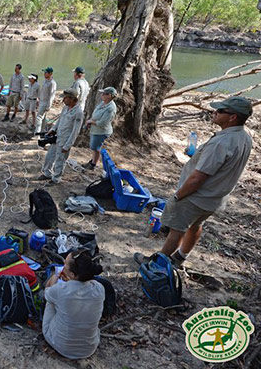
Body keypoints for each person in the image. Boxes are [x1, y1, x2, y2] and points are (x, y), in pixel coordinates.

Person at [134, 96, 253, 268]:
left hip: (196, 196)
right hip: (215, 198)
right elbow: (222, 165)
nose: (215, 112)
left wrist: (178, 195)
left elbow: (198, 178)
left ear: (232, 117)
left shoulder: (221, 142)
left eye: (220, 111)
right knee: (196, 225)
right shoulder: (244, 137)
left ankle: (156, 264)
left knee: (177, 229)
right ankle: (180, 257)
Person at [43, 249, 105, 360]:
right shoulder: (99, 288)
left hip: (61, 346)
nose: (63, 266)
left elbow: (47, 293)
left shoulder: (61, 290)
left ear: (72, 274)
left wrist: (53, 280)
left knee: (51, 300)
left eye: (65, 265)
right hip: (90, 348)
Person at [40, 89, 84, 184]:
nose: (63, 100)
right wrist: (53, 129)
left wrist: (68, 146)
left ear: (72, 99)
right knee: (49, 156)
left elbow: (75, 132)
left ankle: (56, 179)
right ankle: (47, 173)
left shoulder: (78, 113)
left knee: (60, 160)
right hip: (57, 136)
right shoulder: (65, 108)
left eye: (65, 98)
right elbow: (60, 120)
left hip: (65, 140)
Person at [83, 87, 118, 170]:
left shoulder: (111, 108)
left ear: (109, 96)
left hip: (101, 131)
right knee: (94, 147)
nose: (101, 95)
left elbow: (102, 123)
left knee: (96, 147)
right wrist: (91, 121)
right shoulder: (103, 103)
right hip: (95, 129)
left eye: (104, 94)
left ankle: (93, 164)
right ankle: (92, 161)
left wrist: (90, 122)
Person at [34, 67, 57, 134]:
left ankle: (37, 132)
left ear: (50, 74)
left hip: (45, 102)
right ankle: (42, 131)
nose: (44, 74)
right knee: (43, 118)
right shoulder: (45, 81)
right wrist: (39, 99)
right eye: (44, 72)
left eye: (46, 73)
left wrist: (49, 106)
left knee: (39, 117)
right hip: (42, 101)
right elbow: (42, 91)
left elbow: (52, 95)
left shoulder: (52, 83)